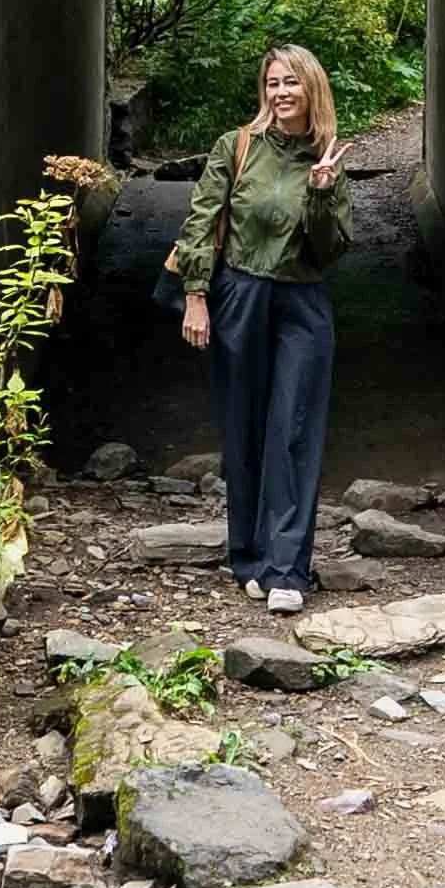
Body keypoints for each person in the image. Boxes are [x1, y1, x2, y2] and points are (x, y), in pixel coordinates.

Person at [173, 45, 352, 614]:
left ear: (311, 91)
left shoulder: (325, 159)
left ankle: (287, 571)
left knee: (292, 429)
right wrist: (196, 297)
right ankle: (247, 556)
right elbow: (201, 221)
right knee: (243, 427)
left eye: (291, 85)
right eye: (272, 84)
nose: (279, 94)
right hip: (240, 296)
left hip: (302, 303)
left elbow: (329, 252)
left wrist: (323, 193)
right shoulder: (238, 147)